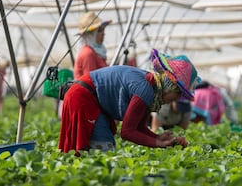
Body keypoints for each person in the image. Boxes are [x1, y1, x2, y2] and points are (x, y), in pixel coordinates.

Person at [58, 48, 200, 156]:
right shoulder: (145, 90)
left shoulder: (152, 89)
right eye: (177, 95)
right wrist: (158, 143)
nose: (175, 100)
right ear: (169, 87)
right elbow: (127, 132)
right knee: (103, 147)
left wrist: (160, 138)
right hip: (82, 96)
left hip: (90, 98)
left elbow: (139, 127)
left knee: (99, 149)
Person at [57, 11, 112, 118]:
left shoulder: (96, 53)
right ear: (91, 34)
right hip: (87, 104)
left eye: (103, 30)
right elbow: (91, 84)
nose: (103, 33)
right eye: (100, 30)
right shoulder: (88, 54)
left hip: (91, 103)